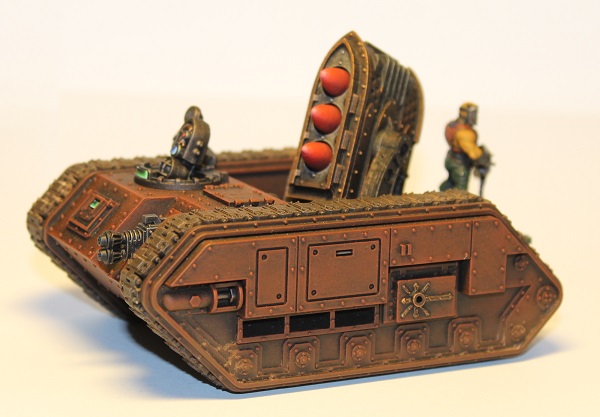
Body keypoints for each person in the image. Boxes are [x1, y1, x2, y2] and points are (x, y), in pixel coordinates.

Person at [440, 102, 491, 195]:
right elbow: (473, 154)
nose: (474, 117)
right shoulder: (465, 133)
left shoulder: (451, 125)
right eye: (473, 114)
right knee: (461, 190)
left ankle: (443, 190)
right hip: (459, 165)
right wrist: (483, 155)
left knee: (451, 181)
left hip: (450, 158)